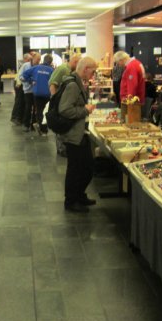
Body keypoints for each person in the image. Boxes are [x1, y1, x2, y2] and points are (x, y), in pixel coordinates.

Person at [59, 56, 98, 213]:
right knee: (76, 169)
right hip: (74, 134)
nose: (93, 75)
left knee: (86, 167)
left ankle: (79, 195)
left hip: (79, 132)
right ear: (85, 69)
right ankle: (71, 201)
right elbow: (64, 109)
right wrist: (85, 110)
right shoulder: (73, 85)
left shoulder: (77, 82)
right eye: (93, 72)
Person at [49, 53, 81, 156]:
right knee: (61, 124)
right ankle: (61, 149)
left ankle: (63, 148)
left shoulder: (69, 70)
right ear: (75, 62)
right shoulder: (63, 69)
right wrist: (55, 100)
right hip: (60, 102)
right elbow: (52, 84)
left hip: (64, 101)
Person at [22, 53, 54, 134]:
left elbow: (24, 75)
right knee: (45, 111)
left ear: (43, 60)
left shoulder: (36, 67)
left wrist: (31, 81)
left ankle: (41, 127)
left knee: (39, 110)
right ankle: (44, 128)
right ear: (51, 62)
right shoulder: (52, 70)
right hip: (47, 94)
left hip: (37, 93)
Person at [20, 52, 40, 132]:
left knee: (35, 108)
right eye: (38, 59)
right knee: (28, 107)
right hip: (27, 90)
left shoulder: (38, 66)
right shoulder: (25, 65)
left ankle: (33, 125)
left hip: (35, 90)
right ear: (33, 58)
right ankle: (26, 125)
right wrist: (29, 81)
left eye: (39, 60)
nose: (39, 61)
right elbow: (21, 77)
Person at [11, 53, 31, 125]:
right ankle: (15, 118)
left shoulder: (26, 65)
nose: (30, 61)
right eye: (29, 59)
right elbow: (20, 75)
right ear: (25, 59)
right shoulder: (25, 65)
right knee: (19, 101)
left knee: (21, 101)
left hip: (20, 84)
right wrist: (18, 84)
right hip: (19, 84)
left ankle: (19, 118)